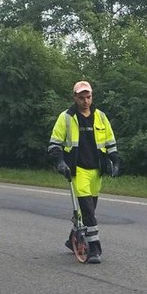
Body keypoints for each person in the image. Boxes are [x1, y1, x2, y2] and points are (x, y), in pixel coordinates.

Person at [48, 81, 120, 264]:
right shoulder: (66, 118)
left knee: (89, 209)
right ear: (75, 98)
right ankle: (94, 249)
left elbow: (110, 142)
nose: (85, 101)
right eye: (81, 98)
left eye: (88, 97)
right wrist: (60, 162)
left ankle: (71, 239)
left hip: (97, 170)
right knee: (88, 211)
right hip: (77, 170)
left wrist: (115, 160)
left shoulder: (101, 117)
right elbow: (54, 144)